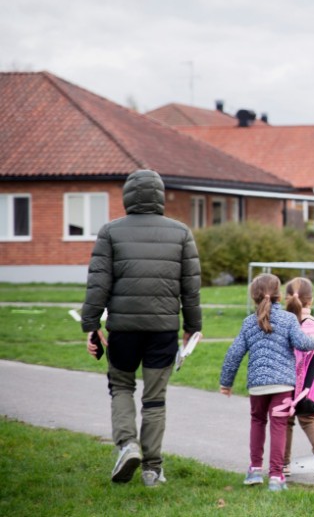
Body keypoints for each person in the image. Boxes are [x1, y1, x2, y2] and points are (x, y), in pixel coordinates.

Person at [81, 169, 202, 487]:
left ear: (127, 196)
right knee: (155, 399)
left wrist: (91, 327)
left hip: (123, 328)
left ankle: (127, 445)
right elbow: (190, 288)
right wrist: (192, 327)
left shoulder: (110, 232)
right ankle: (152, 468)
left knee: (121, 386)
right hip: (163, 329)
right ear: (160, 196)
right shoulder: (181, 232)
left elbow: (98, 285)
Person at [219, 273, 314, 492]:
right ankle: (275, 476)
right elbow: (303, 343)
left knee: (257, 422)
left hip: (257, 386)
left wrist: (226, 382)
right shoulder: (289, 319)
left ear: (254, 297)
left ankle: (254, 470)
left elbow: (234, 354)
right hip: (283, 386)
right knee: (279, 426)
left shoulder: (248, 323)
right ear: (278, 296)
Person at [282, 277, 314, 479]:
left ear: (286, 299)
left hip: (288, 382)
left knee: (286, 420)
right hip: (312, 385)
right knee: (308, 418)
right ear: (310, 301)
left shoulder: (285, 325)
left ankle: (284, 464)